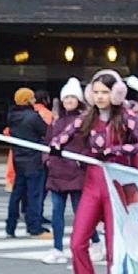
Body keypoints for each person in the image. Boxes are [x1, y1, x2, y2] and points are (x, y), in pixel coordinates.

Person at [47, 70, 138, 274]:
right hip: (93, 184)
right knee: (77, 242)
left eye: (104, 92)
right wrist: (56, 146)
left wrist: (115, 150)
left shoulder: (127, 117)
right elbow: (62, 136)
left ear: (116, 93)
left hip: (118, 186)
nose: (100, 97)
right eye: (95, 92)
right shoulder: (86, 117)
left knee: (115, 246)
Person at [41, 78, 86, 264]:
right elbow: (47, 143)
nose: (68, 100)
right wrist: (47, 160)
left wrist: (80, 162)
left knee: (81, 213)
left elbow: (89, 145)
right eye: (66, 97)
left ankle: (93, 243)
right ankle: (57, 248)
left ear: (79, 100)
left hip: (76, 173)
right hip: (56, 172)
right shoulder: (55, 121)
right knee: (56, 212)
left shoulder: (84, 120)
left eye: (72, 97)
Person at [5, 87, 50, 238]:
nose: (34, 100)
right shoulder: (33, 117)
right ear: (27, 100)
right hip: (33, 160)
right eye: (31, 98)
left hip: (18, 159)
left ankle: (10, 226)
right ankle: (34, 227)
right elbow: (47, 132)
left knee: (16, 194)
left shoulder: (12, 116)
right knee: (34, 195)